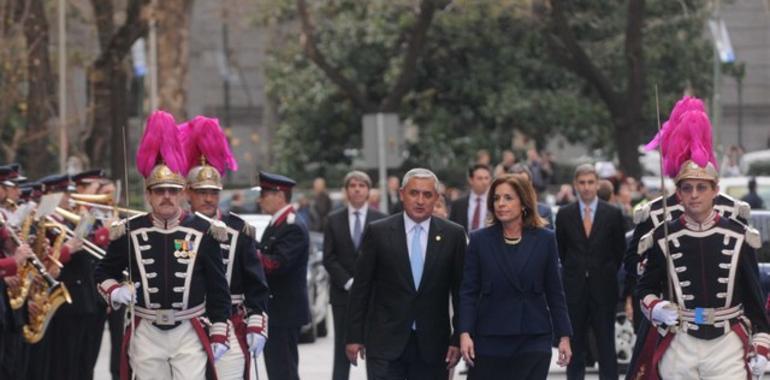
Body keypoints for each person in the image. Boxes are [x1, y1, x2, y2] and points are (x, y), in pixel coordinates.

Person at [629, 98, 770, 379]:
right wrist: (656, 308)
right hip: (680, 339)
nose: (694, 194)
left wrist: (762, 346)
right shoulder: (662, 236)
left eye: (701, 188)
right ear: (678, 193)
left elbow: (755, 299)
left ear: (714, 191)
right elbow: (643, 287)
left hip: (727, 341)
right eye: (687, 188)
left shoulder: (739, 235)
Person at [94, 110, 231, 380]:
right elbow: (102, 272)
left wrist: (218, 332)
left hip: (189, 329)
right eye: (159, 191)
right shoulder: (129, 231)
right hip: (146, 329)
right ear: (148, 194)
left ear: (182, 192)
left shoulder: (204, 231)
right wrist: (115, 291)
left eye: (172, 190)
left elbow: (218, 289)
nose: (166, 197)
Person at [346, 168, 465, 380]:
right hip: (385, 345)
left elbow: (460, 292)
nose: (420, 200)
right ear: (402, 194)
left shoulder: (453, 235)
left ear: (436, 198)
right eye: (414, 193)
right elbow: (361, 288)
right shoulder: (379, 232)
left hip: (433, 346)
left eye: (427, 195)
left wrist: (457, 338)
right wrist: (354, 336)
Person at [458, 174, 571, 379]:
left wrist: (564, 336)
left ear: (524, 203)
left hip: (533, 336)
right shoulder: (479, 239)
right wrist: (464, 333)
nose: (501, 204)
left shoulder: (545, 239)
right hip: (490, 337)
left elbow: (555, 292)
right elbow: (468, 292)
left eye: (508, 198)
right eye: (496, 198)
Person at [183, 115, 270, 380]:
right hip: (189, 326)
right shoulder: (180, 228)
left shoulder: (238, 230)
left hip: (232, 323)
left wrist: (256, 324)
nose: (208, 198)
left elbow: (256, 284)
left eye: (213, 192)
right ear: (187, 193)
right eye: (201, 192)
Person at [555, 163, 626, 380]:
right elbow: (562, 249)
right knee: (575, 345)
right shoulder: (565, 214)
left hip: (603, 288)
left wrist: (602, 270)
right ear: (576, 185)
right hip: (574, 289)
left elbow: (619, 251)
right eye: (582, 183)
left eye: (590, 182)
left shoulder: (612, 213)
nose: (586, 187)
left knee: (605, 344)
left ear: (597, 184)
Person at [322, 170, 386, 380]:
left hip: (373, 298)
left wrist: (367, 285)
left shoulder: (381, 220)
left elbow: (386, 259)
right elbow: (329, 258)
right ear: (346, 190)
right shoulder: (333, 219)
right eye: (353, 185)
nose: (357, 189)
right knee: (342, 351)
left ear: (369, 190)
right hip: (343, 296)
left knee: (375, 352)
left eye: (362, 185)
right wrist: (349, 282)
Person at [256, 171, 310, 380]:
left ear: (279, 196)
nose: (261, 199)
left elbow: (276, 264)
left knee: (284, 371)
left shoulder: (292, 226)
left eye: (265, 194)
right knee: (277, 370)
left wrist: (249, 252)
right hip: (276, 311)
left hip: (285, 312)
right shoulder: (276, 224)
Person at [449, 164, 492, 233]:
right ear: (471, 180)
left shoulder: (494, 203)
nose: (484, 182)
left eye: (486, 178)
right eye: (480, 178)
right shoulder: (458, 205)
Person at [508, 163, 554, 228]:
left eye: (524, 182)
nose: (520, 187)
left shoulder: (543, 212)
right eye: (516, 183)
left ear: (530, 184)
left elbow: (549, 237)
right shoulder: (503, 210)